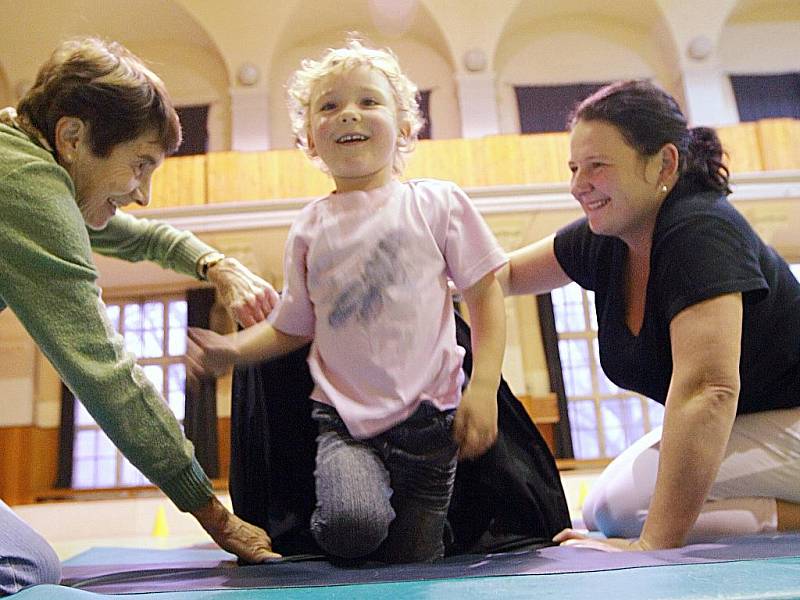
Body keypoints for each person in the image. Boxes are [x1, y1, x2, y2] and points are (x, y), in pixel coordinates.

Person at [187, 38, 507, 563]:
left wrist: (485, 385)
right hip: (344, 424)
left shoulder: (437, 203)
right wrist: (233, 350)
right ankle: (343, 523)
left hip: (430, 424)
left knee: (415, 562)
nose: (347, 115)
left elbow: (486, 296)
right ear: (309, 139)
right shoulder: (311, 227)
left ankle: (432, 535)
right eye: (329, 107)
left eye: (368, 101)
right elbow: (292, 326)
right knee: (350, 528)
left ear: (405, 128)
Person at [0, 37, 282, 594]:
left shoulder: (24, 156)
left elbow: (131, 235)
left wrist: (214, 264)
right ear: (73, 137)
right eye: (140, 165)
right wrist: (215, 515)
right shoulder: (24, 186)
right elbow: (104, 372)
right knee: (24, 571)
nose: (144, 193)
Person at [499, 79, 800, 551]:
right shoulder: (609, 236)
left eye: (597, 166)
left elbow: (709, 390)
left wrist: (651, 546)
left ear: (664, 163)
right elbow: (505, 274)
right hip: (763, 420)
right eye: (575, 168)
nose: (578, 186)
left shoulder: (701, 229)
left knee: (627, 513)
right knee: (603, 506)